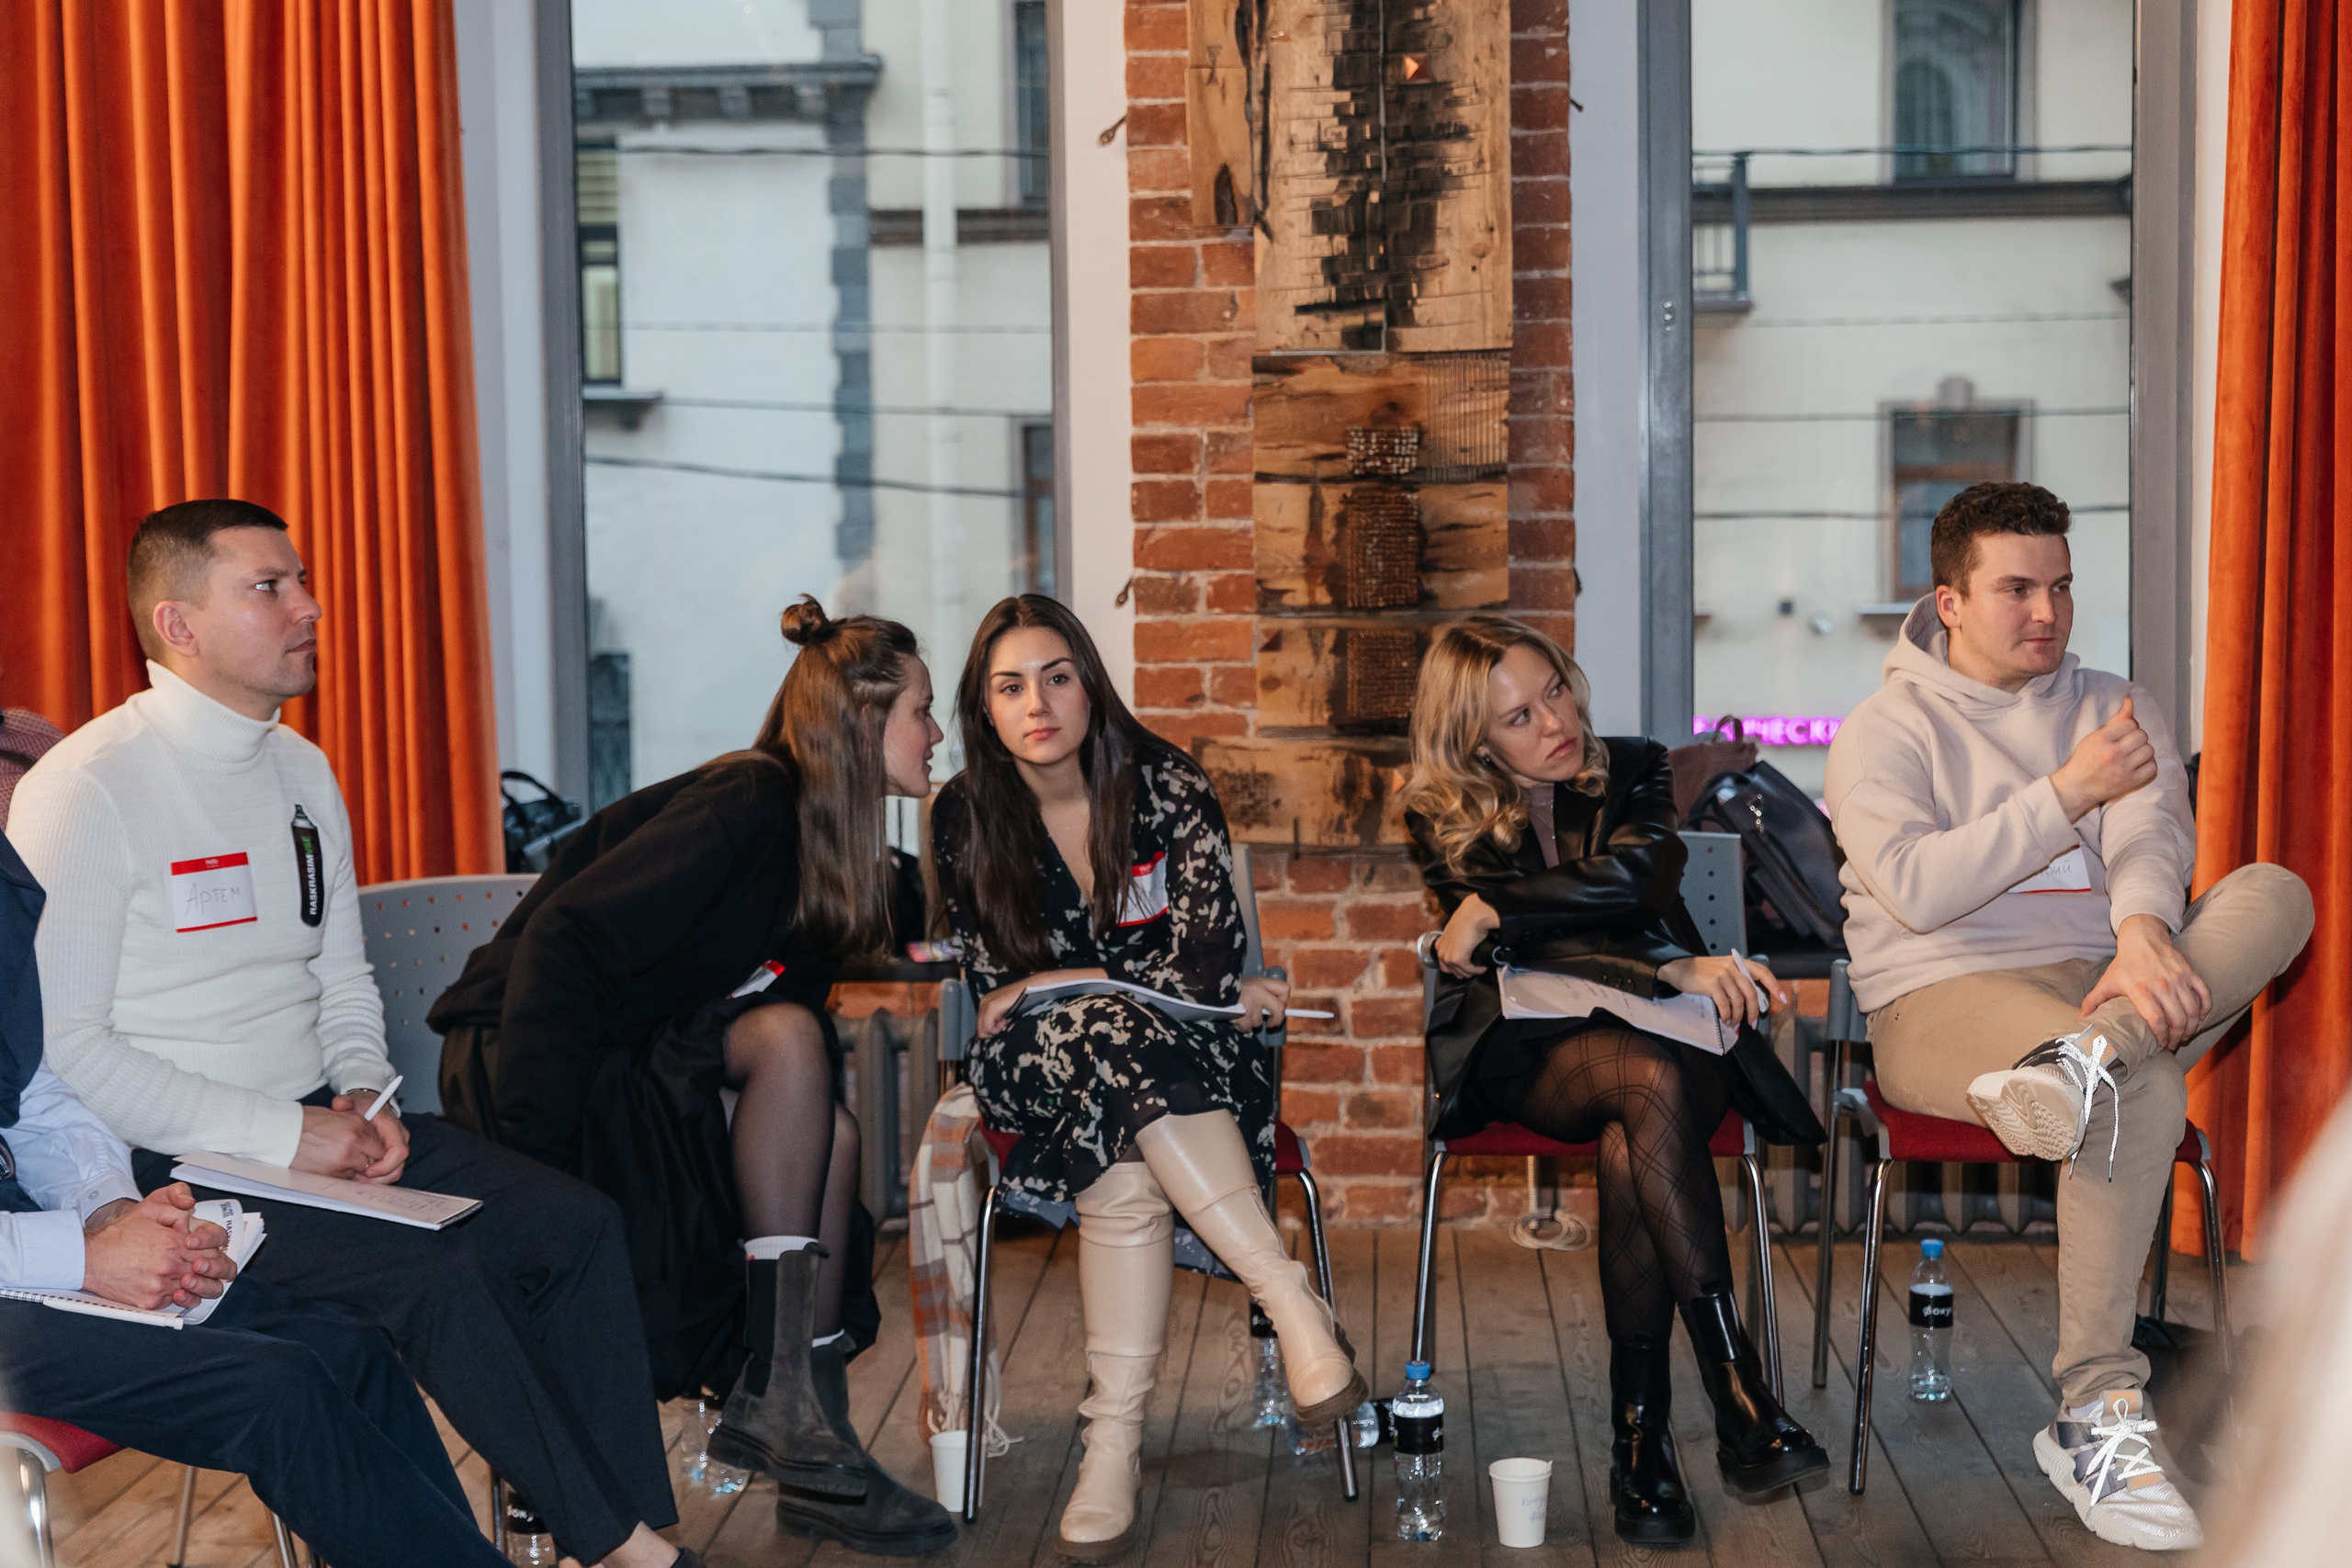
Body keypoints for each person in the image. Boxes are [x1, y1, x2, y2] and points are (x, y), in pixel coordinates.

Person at [9, 499, 687, 1568]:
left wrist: (365, 1093)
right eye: (269, 588)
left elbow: (339, 969)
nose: (308, 608)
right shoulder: (86, 790)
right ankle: (624, 1554)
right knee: (440, 1274)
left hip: (312, 1129)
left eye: (302, 582)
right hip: (170, 1159)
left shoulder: (301, 770)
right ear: (178, 625)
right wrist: (288, 1136)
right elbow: (68, 1053)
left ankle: (607, 1533)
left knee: (577, 1226)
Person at [1825, 480, 2312, 1553]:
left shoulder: (2112, 701)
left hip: (2110, 985)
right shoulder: (1882, 728)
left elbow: (2152, 841)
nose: (2045, 612)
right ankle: (2095, 1412)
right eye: (2014, 589)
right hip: (1943, 994)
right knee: (2136, 1085)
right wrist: (2064, 793)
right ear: (1947, 600)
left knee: (2276, 892)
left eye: (2058, 587)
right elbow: (1915, 887)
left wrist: (2142, 928)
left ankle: (2083, 1058)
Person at [429, 598, 956, 1557]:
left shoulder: (830, 856)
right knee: (795, 1044)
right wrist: (537, 1163)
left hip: (631, 1052)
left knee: (828, 1133)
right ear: (864, 719)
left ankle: (798, 1424)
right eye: (923, 709)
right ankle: (792, 1418)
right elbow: (562, 945)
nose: (937, 731)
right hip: (535, 1056)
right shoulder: (748, 802)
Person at [931, 595, 1364, 1564]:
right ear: (985, 710)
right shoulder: (961, 814)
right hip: (1037, 1068)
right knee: (1110, 1035)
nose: (1037, 702)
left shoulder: (1166, 783)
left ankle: (1111, 1447)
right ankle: (1288, 1298)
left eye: (1056, 676)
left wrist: (1065, 978)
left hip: (1184, 1062)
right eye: (1010, 686)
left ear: (1089, 684)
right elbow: (995, 988)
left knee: (1123, 1156)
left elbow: (1207, 965)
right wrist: (1061, 985)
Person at [1402, 615, 1830, 1542]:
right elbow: (1543, 950)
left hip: (1668, 1038)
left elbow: (1636, 881)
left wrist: (1493, 907)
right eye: (1517, 717)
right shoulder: (1438, 811)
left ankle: (1642, 1442)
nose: (1552, 722)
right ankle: (1736, 1397)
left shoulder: (1633, 764)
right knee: (1642, 1091)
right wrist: (1663, 964)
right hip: (1525, 1045)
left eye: (1553, 689)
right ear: (1473, 739)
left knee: (1642, 1099)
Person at [0, 828, 516, 1568]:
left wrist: (112, 1214)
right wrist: (81, 1256)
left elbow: (35, 1094)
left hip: (31, 1225)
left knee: (347, 1346)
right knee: (280, 1386)